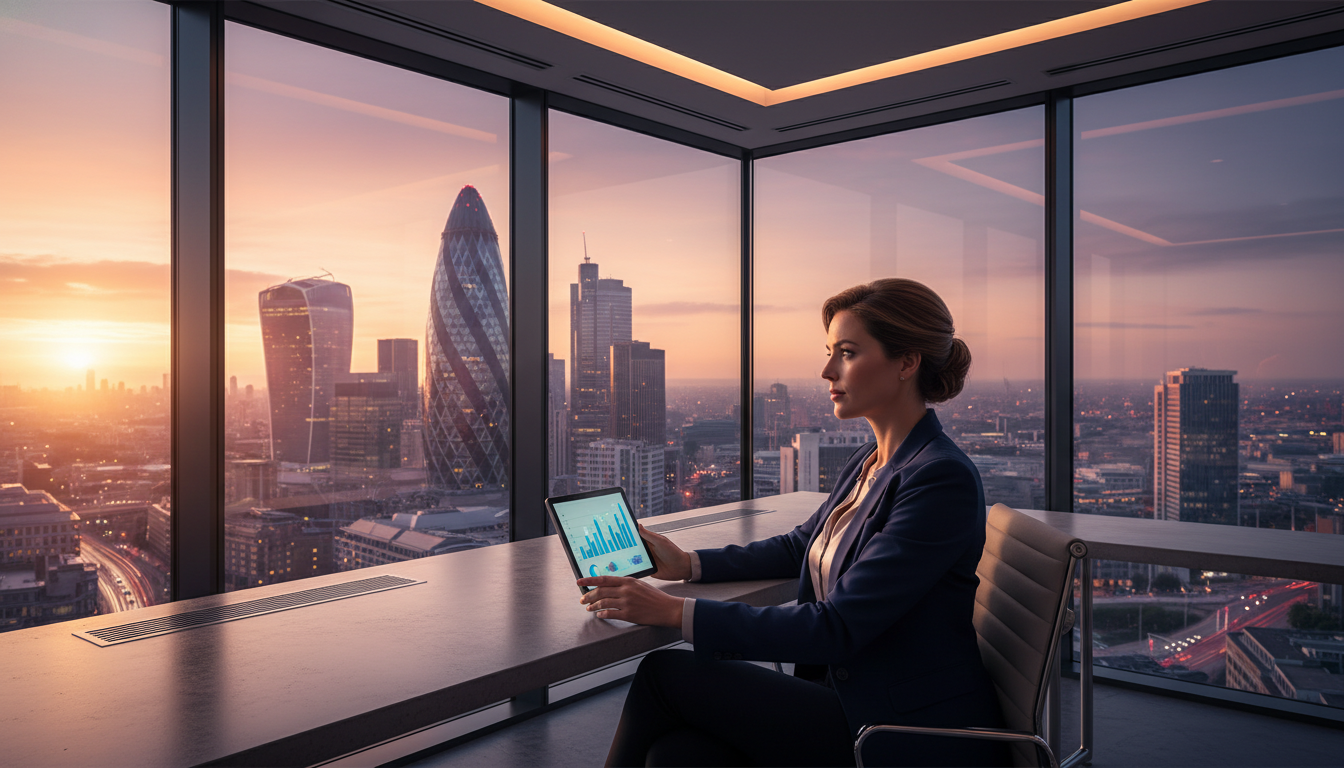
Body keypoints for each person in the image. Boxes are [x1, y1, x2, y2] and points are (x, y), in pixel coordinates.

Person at [576, 278, 1008, 767]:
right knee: (675, 755)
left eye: (846, 352)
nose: (827, 371)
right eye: (830, 352)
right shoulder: (873, 460)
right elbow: (802, 545)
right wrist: (688, 564)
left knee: (664, 674)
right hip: (849, 698)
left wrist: (672, 610)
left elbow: (836, 627)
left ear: (906, 362)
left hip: (902, 728)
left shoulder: (940, 479)